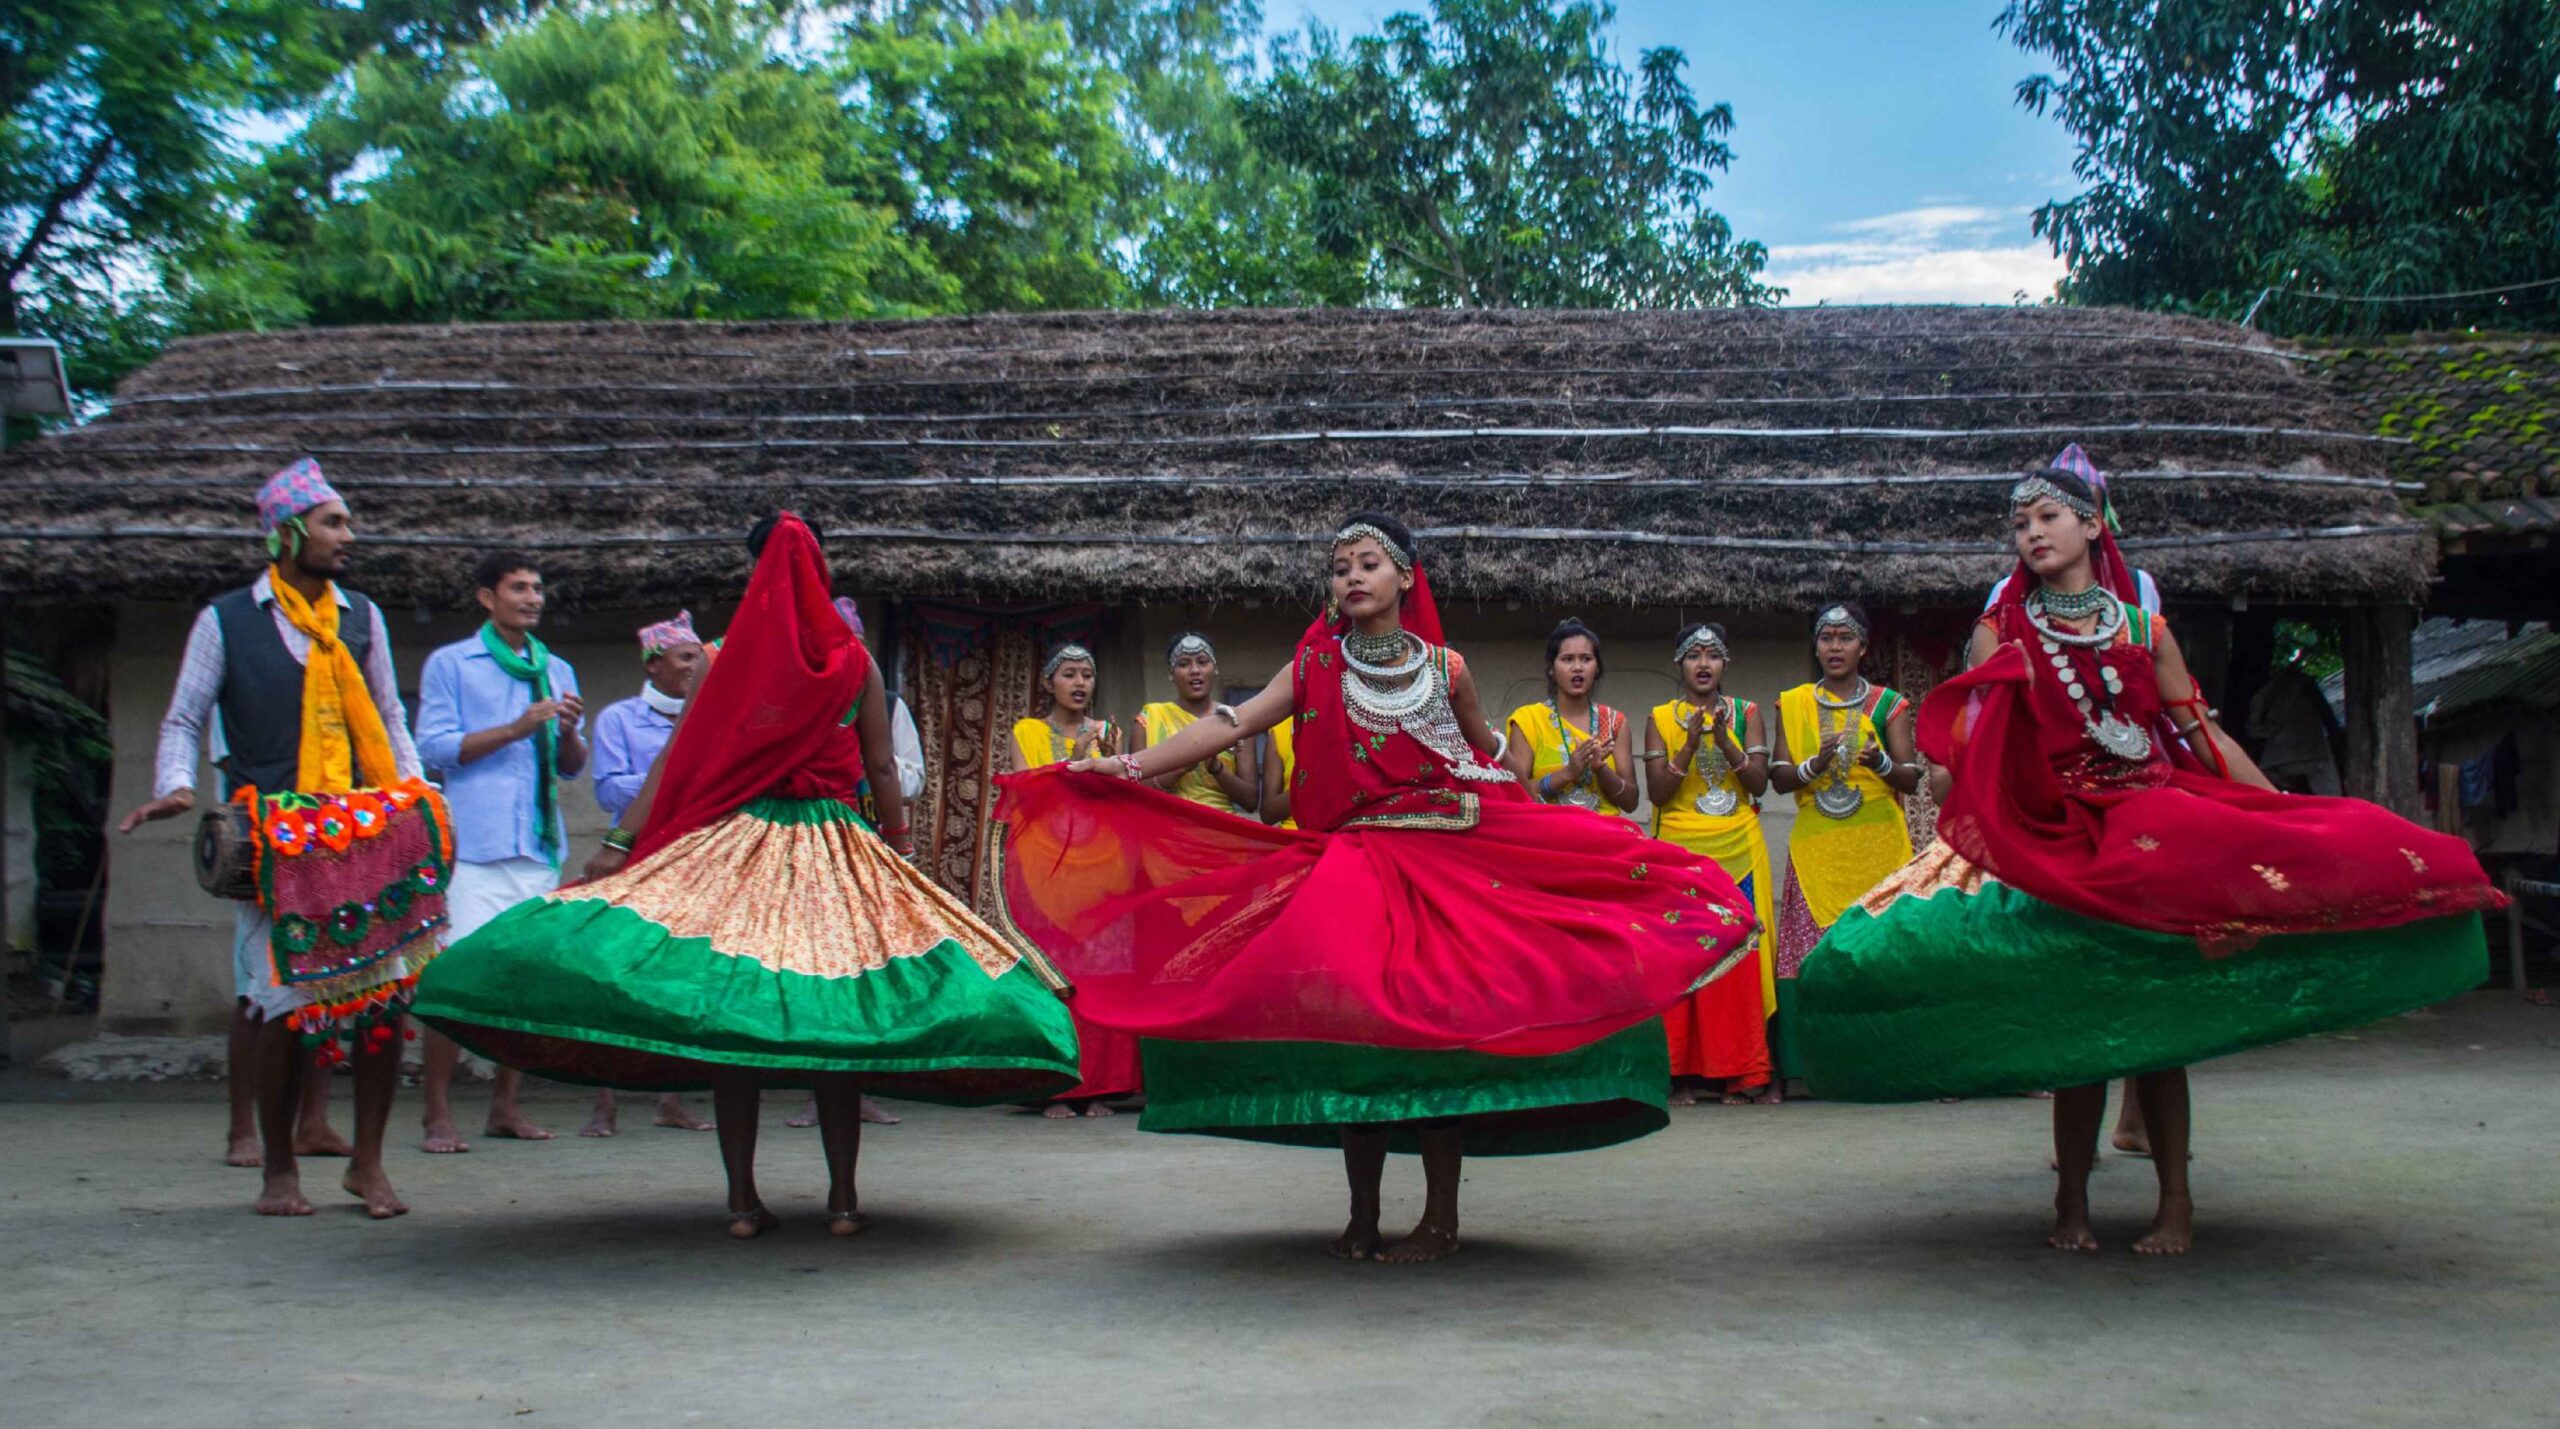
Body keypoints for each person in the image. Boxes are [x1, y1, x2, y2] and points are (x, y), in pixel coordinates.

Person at [994, 513, 1758, 1262]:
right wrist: (1127, 767)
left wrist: (1537, 827)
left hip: (1442, 868)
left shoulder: (1446, 668)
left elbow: (1489, 759)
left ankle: (1440, 1219)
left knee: (1436, 1042)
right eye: (1340, 566)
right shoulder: (1316, 665)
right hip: (1356, 867)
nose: (1352, 575)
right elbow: (1230, 721)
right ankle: (1360, 1214)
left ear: (1403, 576)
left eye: (1368, 561)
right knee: (1355, 1035)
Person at [1797, 462, 2500, 1255]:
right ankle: (2071, 1201)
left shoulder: (2144, 631)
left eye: (2047, 518)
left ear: (2094, 527)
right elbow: (1977, 737)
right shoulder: (2005, 631)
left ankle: (2177, 1204)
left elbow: (2205, 737)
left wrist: (2285, 821)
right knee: (2083, 1029)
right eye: (2020, 524)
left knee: (2156, 1034)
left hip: (2151, 821)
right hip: (2065, 834)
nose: (2031, 533)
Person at [412, 514, 1080, 1239]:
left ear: (753, 571)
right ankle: (844, 1201)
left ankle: (741, 1203)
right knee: (837, 1020)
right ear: (821, 570)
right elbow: (882, 768)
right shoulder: (854, 662)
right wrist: (901, 855)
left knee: (734, 1016)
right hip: (837, 850)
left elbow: (676, 758)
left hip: (737, 849)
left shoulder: (719, 657)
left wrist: (619, 841)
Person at [115, 458, 424, 1218]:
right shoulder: (226, 619)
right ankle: (279, 1170)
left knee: (382, 1002)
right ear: (286, 534)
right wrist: (176, 784)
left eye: (346, 521)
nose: (349, 536)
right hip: (272, 835)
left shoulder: (363, 616)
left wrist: (417, 796)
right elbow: (184, 715)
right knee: (284, 1006)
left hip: (362, 830)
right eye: (333, 522)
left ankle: (370, 1163)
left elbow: (389, 718)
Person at [412, 552, 588, 1153]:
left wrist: (564, 732)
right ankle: (437, 1112)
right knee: (451, 976)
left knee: (519, 981)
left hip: (536, 847)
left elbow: (571, 768)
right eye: (519, 588)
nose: (533, 598)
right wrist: (518, 727)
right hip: (471, 847)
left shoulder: (557, 668)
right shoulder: (452, 664)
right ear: (488, 598)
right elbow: (431, 749)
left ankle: (504, 1108)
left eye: (538, 587)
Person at [1764, 602, 1921, 1097]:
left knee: (1881, 952)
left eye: (1845, 638)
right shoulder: (1793, 703)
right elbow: (1779, 777)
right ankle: (1803, 1069)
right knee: (1803, 956)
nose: (1835, 647)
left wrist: (1880, 764)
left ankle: (1888, 1062)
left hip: (1878, 841)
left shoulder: (1888, 704)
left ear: (1863, 647)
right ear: (1815, 646)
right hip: (1817, 845)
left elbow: (1912, 779)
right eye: (1826, 638)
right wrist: (1813, 766)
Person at [578, 611, 715, 1137]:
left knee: (678, 976)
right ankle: (603, 1102)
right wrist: (672, 772)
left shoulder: (708, 714)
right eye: (684, 657)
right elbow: (610, 791)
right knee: (615, 975)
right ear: (653, 664)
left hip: (688, 859)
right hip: (630, 856)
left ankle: (671, 1100)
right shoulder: (619, 719)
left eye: (698, 658)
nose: (694, 665)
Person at [1640, 624, 1778, 1105]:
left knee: (1739, 959)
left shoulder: (1748, 714)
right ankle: (1680, 1074)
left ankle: (1742, 1071)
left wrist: (1725, 740)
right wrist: (1689, 744)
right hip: (1682, 851)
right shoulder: (1660, 717)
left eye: (1713, 655)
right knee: (1684, 957)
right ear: (1679, 664)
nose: (1703, 664)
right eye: (1693, 655)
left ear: (1725, 664)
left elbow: (1759, 784)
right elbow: (1658, 793)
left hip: (1739, 844)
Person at [1005, 643, 1140, 1120]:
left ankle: (1100, 1086)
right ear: (1048, 683)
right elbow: (1028, 791)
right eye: (1069, 675)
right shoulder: (1027, 731)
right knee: (1056, 973)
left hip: (1101, 863)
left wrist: (1099, 761)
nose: (1081, 683)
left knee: (1099, 972)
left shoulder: (1110, 733)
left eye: (1087, 674)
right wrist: (1074, 764)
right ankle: (1056, 1087)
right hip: (1047, 864)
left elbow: (1118, 795)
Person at [1503, 619, 1636, 815]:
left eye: (1586, 659)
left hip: (1605, 834)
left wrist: (1601, 769)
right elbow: (1514, 793)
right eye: (1567, 659)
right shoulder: (1528, 720)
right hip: (1551, 834)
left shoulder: (1614, 722)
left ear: (1597, 667)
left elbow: (1631, 802)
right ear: (1551, 669)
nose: (1577, 667)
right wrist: (1566, 774)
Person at [1135, 632, 1257, 813]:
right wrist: (1182, 766)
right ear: (1171, 673)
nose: (1195, 670)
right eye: (1184, 664)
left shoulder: (1236, 719)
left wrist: (1216, 768)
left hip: (1221, 830)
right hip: (1165, 830)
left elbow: (1251, 800)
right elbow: (1136, 790)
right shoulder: (1149, 718)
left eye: (1202, 662)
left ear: (1214, 668)